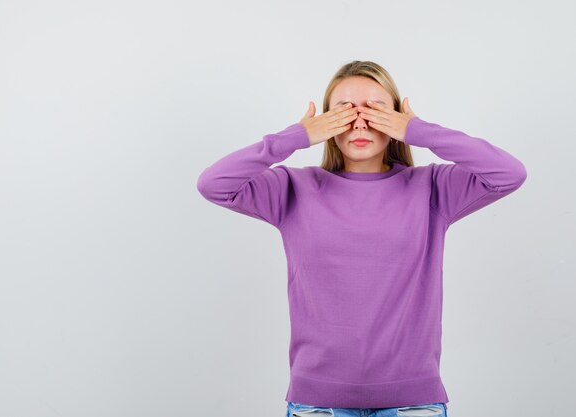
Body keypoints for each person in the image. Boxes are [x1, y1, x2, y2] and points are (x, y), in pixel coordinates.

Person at [196, 60, 527, 417]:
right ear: (325, 123)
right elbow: (213, 184)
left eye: (374, 110)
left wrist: (422, 132)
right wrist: (295, 137)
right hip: (317, 402)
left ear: (397, 120)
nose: (359, 122)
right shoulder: (293, 188)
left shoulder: (432, 188)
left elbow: (509, 174)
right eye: (343, 111)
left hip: (412, 402)